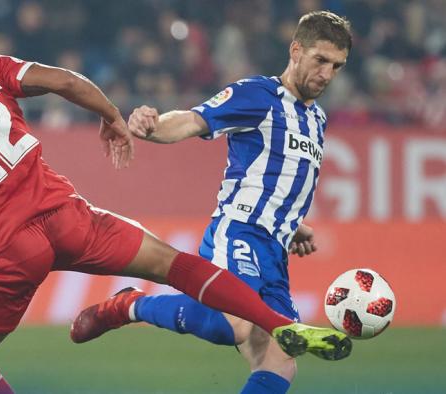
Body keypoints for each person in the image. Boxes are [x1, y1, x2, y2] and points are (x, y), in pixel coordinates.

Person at [0, 2, 350, 393]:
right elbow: (64, 80)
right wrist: (113, 116)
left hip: (8, 247)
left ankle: (155, 309)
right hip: (70, 216)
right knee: (176, 264)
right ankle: (249, 318)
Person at [71, 10, 352, 394]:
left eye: (336, 66)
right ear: (296, 50)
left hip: (274, 251)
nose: (327, 74)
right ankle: (129, 305)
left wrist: (292, 225)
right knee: (233, 324)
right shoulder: (257, 95)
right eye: (321, 60)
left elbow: (280, 177)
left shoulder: (317, 119)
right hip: (237, 232)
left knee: (279, 362)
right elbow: (192, 120)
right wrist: (152, 127)